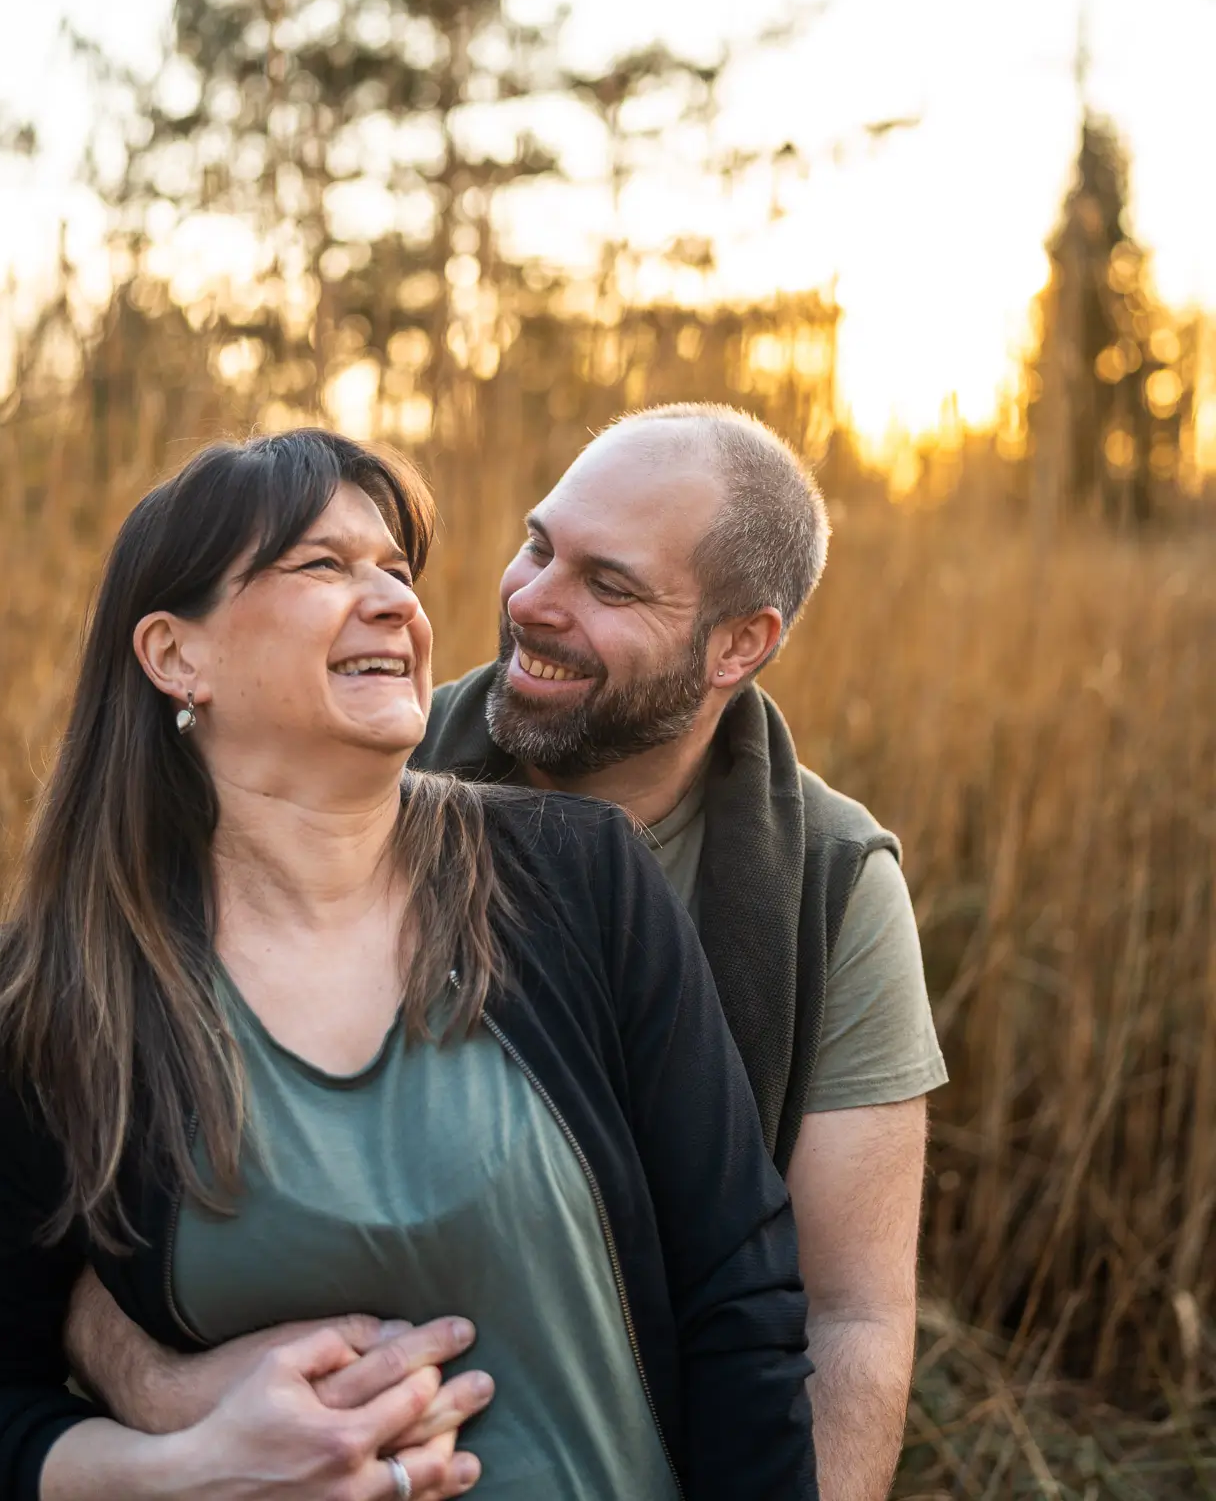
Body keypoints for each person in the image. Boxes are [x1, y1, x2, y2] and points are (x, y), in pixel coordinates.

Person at [65, 402, 946, 1496]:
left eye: (608, 586)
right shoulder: (333, 750)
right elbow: (55, 1235)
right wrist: (170, 1398)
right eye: (536, 545)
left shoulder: (826, 882)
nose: (530, 602)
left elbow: (844, 1311)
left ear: (739, 644)